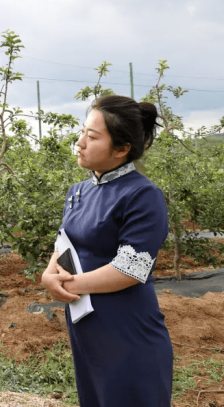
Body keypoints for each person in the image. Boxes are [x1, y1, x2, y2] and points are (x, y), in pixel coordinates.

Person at [41, 95, 173, 407]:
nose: (80, 142)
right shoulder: (79, 191)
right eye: (82, 132)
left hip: (127, 331)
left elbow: (129, 270)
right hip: (87, 330)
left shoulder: (142, 195)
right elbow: (65, 243)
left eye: (92, 136)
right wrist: (49, 274)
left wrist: (65, 285)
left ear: (121, 149)